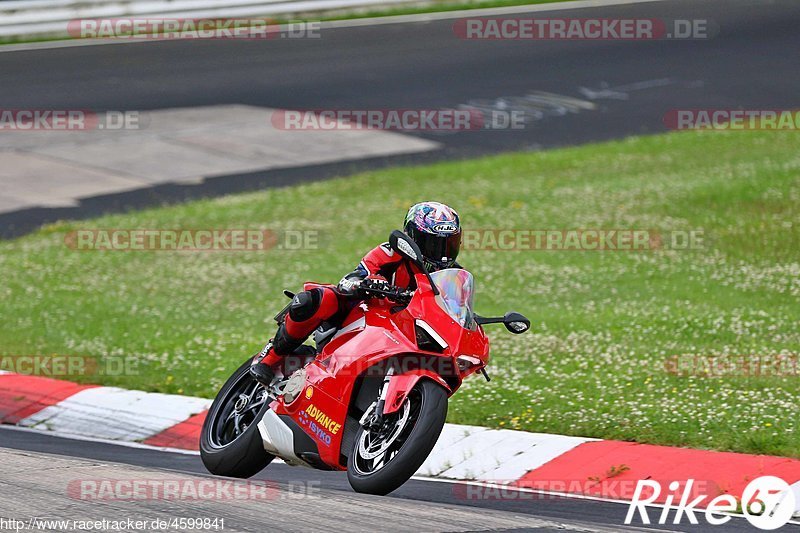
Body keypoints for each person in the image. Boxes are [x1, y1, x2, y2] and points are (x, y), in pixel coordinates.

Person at [250, 201, 462, 386]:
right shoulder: (391, 252)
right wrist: (372, 284)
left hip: (404, 328)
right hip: (365, 311)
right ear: (414, 237)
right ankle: (270, 357)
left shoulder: (450, 275)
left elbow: (453, 309)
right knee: (316, 300)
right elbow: (356, 276)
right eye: (435, 244)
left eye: (449, 244)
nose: (442, 253)